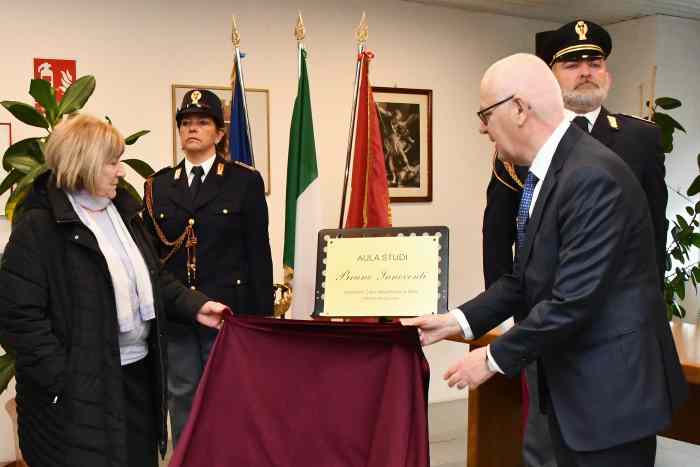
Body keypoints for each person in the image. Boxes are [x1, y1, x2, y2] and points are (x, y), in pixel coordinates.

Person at [403, 54, 687, 467]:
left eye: (486, 113)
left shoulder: (591, 175)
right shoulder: (554, 170)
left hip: (610, 400)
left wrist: (489, 358)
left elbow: (573, 300)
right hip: (576, 390)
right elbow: (525, 279)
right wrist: (454, 321)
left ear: (519, 109)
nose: (482, 127)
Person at [482, 20, 669, 467]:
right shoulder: (520, 142)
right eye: (572, 63)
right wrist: (507, 319)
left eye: (595, 61)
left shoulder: (638, 138)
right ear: (551, 76)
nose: (586, 71)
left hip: (608, 332)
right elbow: (501, 236)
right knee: (545, 442)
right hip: (544, 323)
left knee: (603, 444)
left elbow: (653, 236)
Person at [0, 114, 228, 467]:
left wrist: (196, 306)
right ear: (84, 163)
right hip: (79, 395)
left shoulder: (124, 214)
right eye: (112, 162)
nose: (121, 171)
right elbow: (18, 319)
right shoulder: (38, 226)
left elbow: (153, 279)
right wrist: (65, 381)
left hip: (136, 379)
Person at [144, 88, 273, 443]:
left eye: (202, 122)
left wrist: (262, 322)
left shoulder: (244, 182)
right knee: (182, 398)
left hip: (230, 315)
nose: (192, 129)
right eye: (185, 122)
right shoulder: (157, 186)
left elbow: (259, 256)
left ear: (218, 133)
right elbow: (152, 261)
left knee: (231, 399)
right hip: (180, 317)